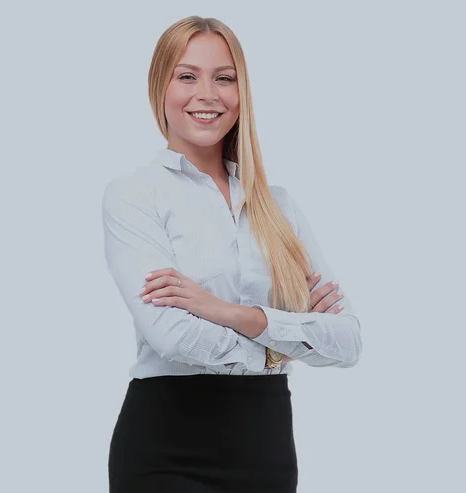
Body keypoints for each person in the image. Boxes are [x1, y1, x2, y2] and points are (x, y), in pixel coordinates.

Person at [102, 15, 362, 493]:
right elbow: (172, 336)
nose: (208, 93)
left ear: (242, 93)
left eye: (224, 77)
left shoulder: (277, 204)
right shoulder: (135, 195)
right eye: (187, 76)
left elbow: (347, 342)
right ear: (159, 88)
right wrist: (284, 342)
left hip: (265, 448)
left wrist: (226, 312)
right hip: (165, 445)